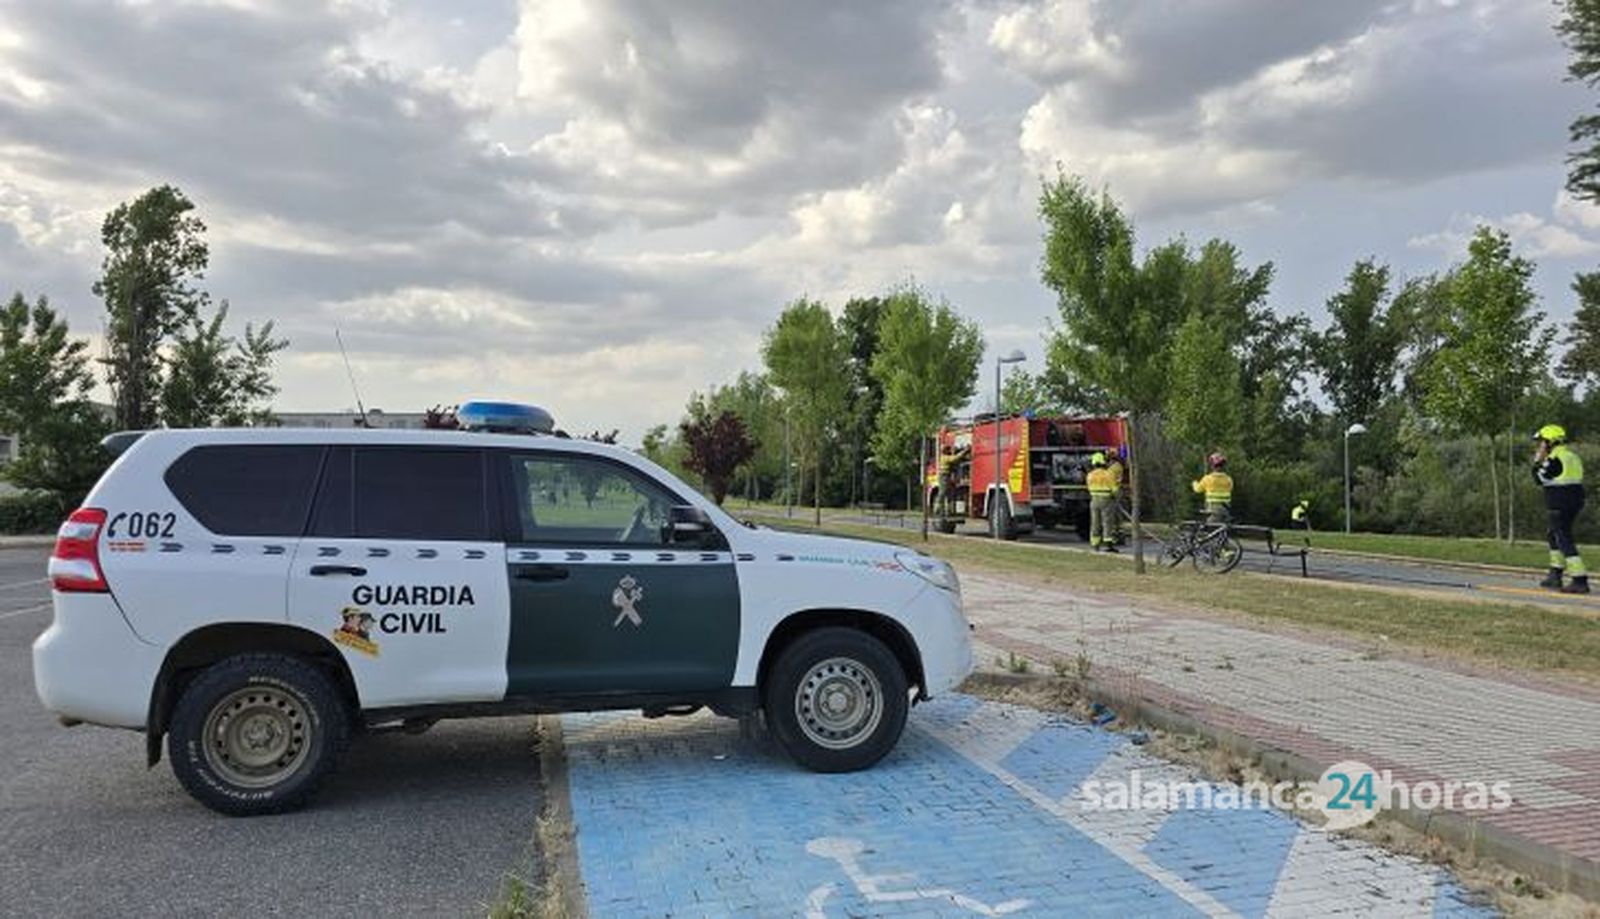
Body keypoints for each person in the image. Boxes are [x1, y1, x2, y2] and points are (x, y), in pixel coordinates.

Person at [1533, 424, 1588, 594]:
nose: (1539, 445)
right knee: (1553, 534)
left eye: (1542, 442)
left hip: (1559, 502)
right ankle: (1555, 574)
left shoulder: (1554, 459)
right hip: (1575, 500)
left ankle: (1579, 579)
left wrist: (1537, 460)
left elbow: (1538, 478)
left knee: (1562, 537)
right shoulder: (1572, 456)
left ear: (1550, 442)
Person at [1085, 452, 1119, 552]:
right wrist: (1116, 497)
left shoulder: (1090, 475)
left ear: (1094, 463)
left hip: (1094, 500)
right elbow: (1114, 489)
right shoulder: (1109, 474)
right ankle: (1108, 544)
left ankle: (1095, 544)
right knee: (1107, 522)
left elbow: (1088, 487)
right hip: (1106, 500)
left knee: (1095, 522)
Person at [1192, 452, 1233, 524]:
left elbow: (1198, 490)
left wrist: (1194, 483)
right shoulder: (1228, 479)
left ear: (1212, 466)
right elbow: (1230, 488)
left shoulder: (1208, 479)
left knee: (1212, 529)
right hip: (1225, 509)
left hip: (1212, 510)